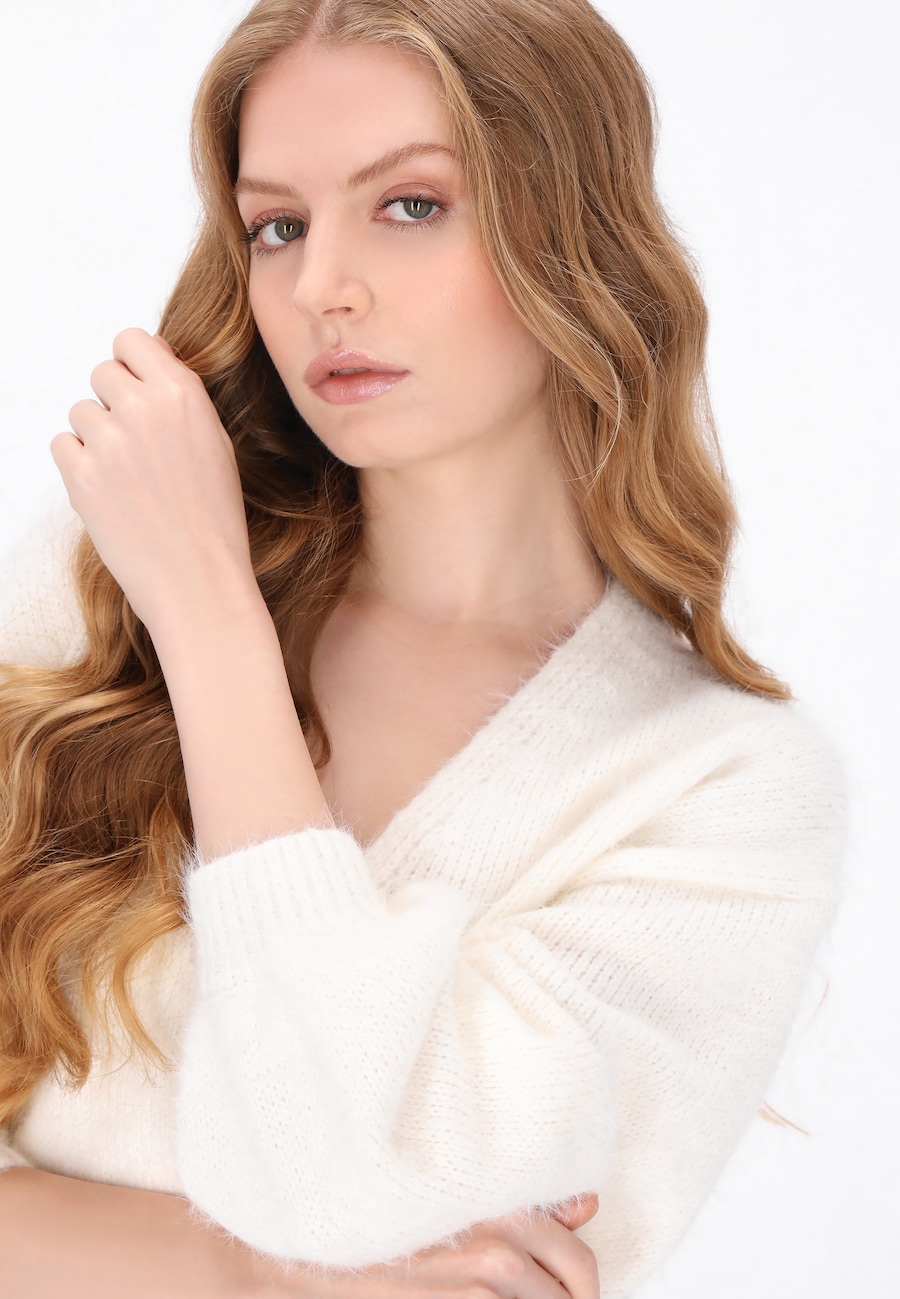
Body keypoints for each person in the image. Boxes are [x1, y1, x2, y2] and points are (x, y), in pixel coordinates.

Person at [0, 0, 844, 1295]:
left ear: (574, 231)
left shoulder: (718, 792)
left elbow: (337, 1181)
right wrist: (267, 1279)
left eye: (409, 205)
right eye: (277, 226)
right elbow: (339, 1233)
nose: (319, 290)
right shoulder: (97, 606)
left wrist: (213, 628)